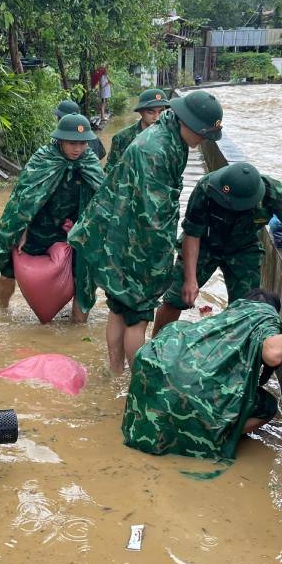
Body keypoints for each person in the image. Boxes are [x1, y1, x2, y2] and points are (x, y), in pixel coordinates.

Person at [68, 90, 224, 374]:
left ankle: (114, 374)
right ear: (187, 123)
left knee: (118, 309)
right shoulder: (158, 149)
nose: (203, 141)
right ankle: (136, 384)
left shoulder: (165, 137)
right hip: (134, 243)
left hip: (117, 234)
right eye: (202, 135)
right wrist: (160, 265)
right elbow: (154, 219)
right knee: (137, 317)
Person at [122, 290, 282, 460]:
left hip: (152, 392)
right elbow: (274, 354)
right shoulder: (264, 316)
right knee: (269, 406)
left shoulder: (224, 318)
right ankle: (217, 435)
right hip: (197, 397)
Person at [152, 161, 282, 336]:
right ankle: (154, 348)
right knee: (175, 299)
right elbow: (192, 234)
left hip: (244, 249)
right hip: (204, 244)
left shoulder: (273, 193)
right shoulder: (207, 187)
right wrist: (190, 279)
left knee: (246, 309)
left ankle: (234, 352)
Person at [0, 113, 105, 323]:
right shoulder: (44, 158)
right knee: (8, 270)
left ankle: (78, 328)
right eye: (72, 143)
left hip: (72, 228)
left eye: (83, 143)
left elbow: (103, 198)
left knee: (83, 276)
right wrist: (21, 230)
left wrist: (84, 227)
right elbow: (23, 198)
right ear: (59, 140)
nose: (78, 149)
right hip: (38, 226)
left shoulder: (89, 161)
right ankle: (2, 310)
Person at [104, 88, 171, 170]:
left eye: (161, 112)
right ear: (141, 112)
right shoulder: (122, 138)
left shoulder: (170, 137)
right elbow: (110, 168)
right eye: (150, 112)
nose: (157, 118)